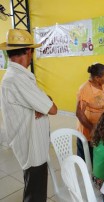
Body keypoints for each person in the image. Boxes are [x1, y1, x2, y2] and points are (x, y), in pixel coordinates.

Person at [0, 29, 58, 202]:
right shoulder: (17, 78)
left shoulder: (19, 76)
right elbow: (53, 109)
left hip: (32, 143)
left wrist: (42, 105)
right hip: (31, 146)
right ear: (27, 51)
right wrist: (42, 105)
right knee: (36, 192)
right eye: (32, 50)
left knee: (33, 187)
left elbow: (47, 104)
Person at [76, 63, 104, 165]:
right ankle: (89, 177)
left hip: (100, 127)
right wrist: (92, 128)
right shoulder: (85, 89)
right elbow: (79, 113)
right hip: (89, 129)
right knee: (88, 158)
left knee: (99, 156)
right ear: (97, 78)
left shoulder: (102, 84)